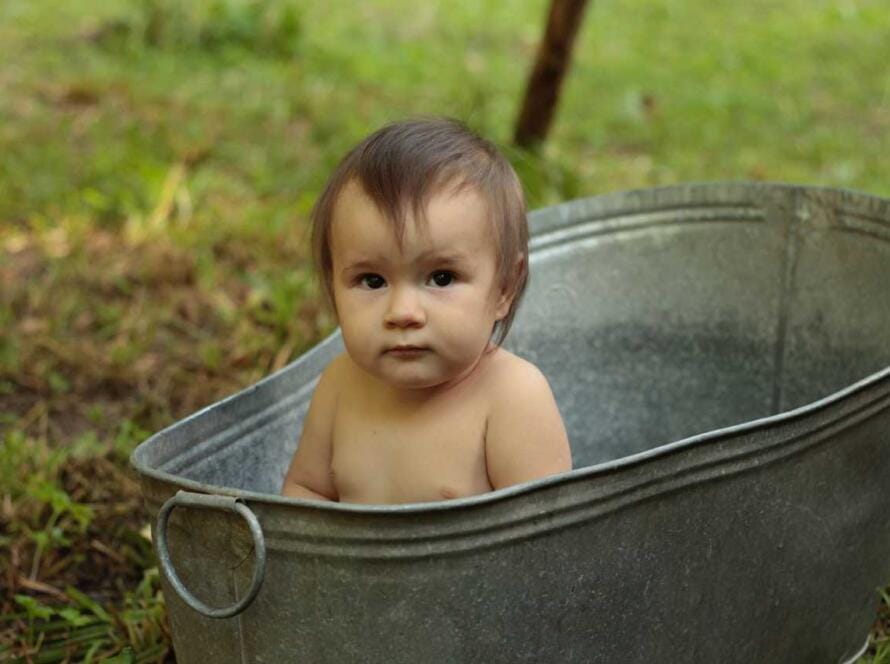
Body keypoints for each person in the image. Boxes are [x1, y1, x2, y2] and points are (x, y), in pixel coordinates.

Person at [281, 118, 571, 504]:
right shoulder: (339, 386)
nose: (403, 312)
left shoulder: (512, 397)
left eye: (441, 278)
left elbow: (549, 537)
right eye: (372, 281)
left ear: (504, 286)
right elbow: (306, 492)